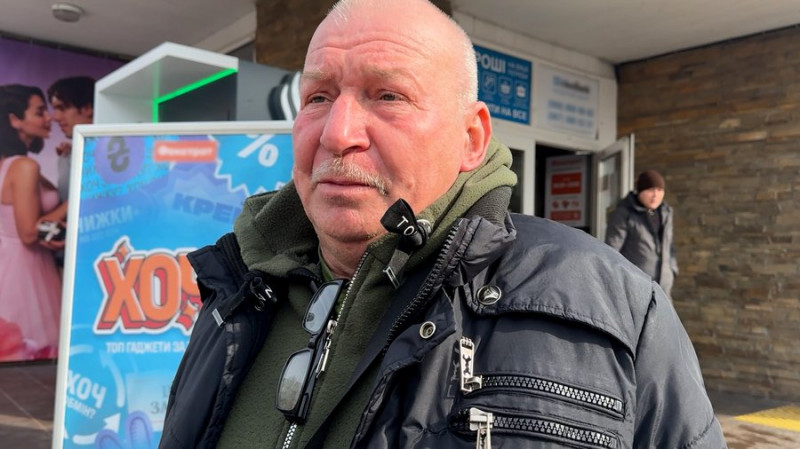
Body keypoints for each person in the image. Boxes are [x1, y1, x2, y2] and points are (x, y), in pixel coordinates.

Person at [161, 1, 725, 448]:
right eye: (318, 97)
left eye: (388, 95)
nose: (337, 133)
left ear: (471, 138)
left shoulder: (616, 311)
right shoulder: (236, 295)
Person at [0, 84, 64, 360]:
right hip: (26, 270)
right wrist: (79, 196)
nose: (49, 118)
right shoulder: (24, 167)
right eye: (40, 112)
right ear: (15, 120)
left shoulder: (9, 164)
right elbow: (28, 232)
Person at [605, 169, 678, 298]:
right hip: (636, 286)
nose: (655, 195)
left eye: (659, 190)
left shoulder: (666, 212)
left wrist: (672, 269)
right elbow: (612, 249)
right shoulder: (624, 213)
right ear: (640, 191)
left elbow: (670, 245)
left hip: (664, 287)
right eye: (650, 190)